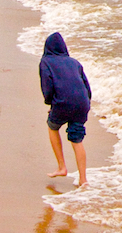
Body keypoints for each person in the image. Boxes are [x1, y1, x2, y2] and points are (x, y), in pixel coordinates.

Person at [40, 32, 92, 186]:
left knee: (52, 126)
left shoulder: (46, 62)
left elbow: (47, 87)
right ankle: (83, 179)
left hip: (63, 103)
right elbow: (87, 87)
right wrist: (85, 103)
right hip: (82, 103)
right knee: (77, 139)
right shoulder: (74, 62)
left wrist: (50, 103)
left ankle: (62, 167)